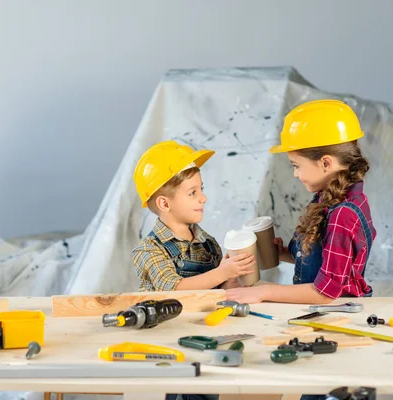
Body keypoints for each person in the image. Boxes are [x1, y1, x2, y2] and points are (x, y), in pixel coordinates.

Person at [227, 99, 376, 307]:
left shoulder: (344, 214)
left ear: (325, 163)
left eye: (296, 165)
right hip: (318, 308)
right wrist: (283, 254)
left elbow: (325, 293)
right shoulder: (329, 197)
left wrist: (264, 291)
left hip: (336, 313)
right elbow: (322, 261)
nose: (295, 174)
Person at [132, 140, 256, 293]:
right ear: (164, 204)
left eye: (201, 189)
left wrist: (228, 281)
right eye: (192, 193)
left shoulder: (208, 244)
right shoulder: (149, 250)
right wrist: (222, 272)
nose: (203, 198)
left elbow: (214, 291)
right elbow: (173, 289)